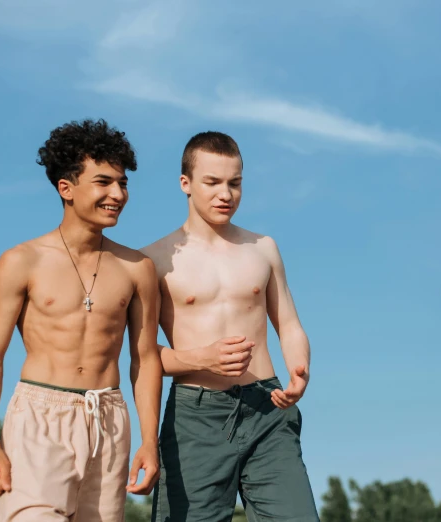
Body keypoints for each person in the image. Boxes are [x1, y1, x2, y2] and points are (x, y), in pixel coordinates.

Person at [0, 119, 163, 521]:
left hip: (109, 419)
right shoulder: (22, 261)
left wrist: (149, 441)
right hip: (40, 417)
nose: (118, 194)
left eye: (123, 184)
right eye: (104, 182)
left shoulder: (137, 268)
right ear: (66, 189)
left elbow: (144, 359)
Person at [141, 131, 319, 522]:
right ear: (185, 184)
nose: (226, 194)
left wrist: (300, 369)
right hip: (195, 418)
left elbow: (288, 323)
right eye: (213, 183)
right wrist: (202, 357)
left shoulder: (263, 248)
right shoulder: (152, 261)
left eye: (235, 183)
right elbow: (144, 359)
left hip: (267, 409)